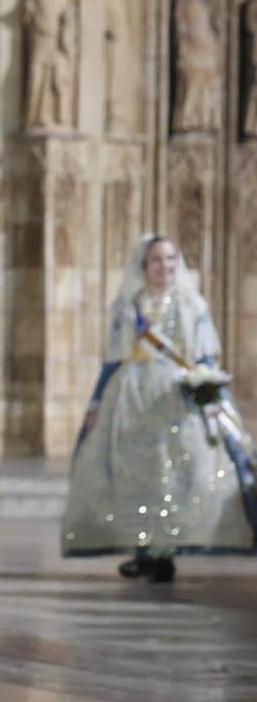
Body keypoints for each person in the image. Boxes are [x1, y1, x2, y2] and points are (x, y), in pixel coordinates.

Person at [62, 233, 256, 579]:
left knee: (179, 473)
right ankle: (143, 549)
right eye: (156, 260)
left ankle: (167, 548)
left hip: (176, 401)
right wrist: (94, 404)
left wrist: (210, 392)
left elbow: (203, 355)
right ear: (144, 265)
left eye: (170, 259)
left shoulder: (190, 304)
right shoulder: (128, 306)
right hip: (132, 401)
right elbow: (113, 359)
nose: (164, 266)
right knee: (139, 477)